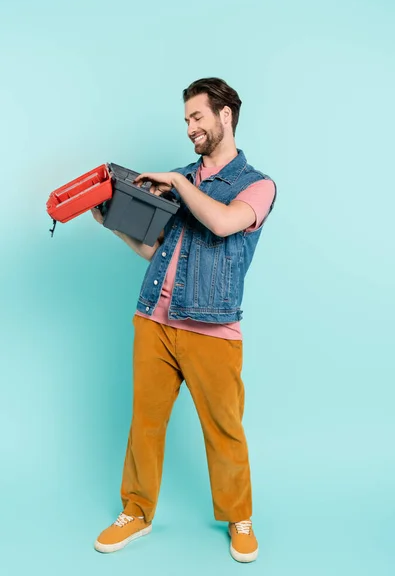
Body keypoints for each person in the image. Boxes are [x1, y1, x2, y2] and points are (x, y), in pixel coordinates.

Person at [91, 77, 277, 563]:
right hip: (154, 319)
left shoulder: (257, 185)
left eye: (197, 117)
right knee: (145, 424)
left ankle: (240, 517)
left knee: (224, 428)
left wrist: (177, 183)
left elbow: (221, 223)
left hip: (212, 329)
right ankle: (136, 512)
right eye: (186, 120)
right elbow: (156, 248)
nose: (190, 127)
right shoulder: (179, 177)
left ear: (225, 116)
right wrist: (113, 224)